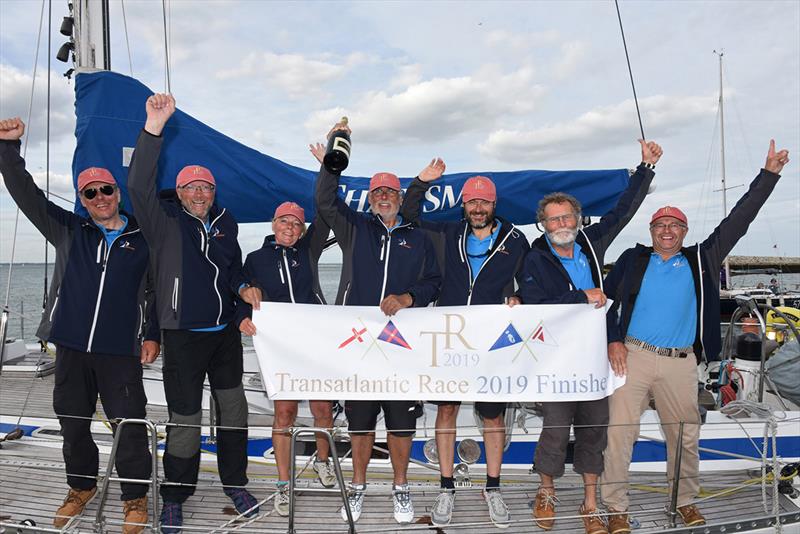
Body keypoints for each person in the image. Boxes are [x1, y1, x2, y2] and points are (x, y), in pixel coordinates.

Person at [600, 140, 790, 534]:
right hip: (632, 357)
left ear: (684, 232)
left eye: (675, 226)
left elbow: (740, 219)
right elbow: (605, 306)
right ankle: (615, 506)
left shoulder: (701, 259)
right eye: (660, 225)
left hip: (680, 361)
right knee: (620, 435)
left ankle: (685, 500)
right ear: (651, 231)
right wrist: (613, 340)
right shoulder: (632, 260)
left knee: (685, 436)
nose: (667, 231)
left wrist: (768, 175)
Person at [0, 118, 159, 533]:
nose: (100, 197)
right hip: (71, 346)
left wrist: (153, 333)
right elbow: (26, 196)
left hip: (119, 351)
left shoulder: (142, 239)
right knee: (73, 424)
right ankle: (80, 487)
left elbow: (155, 292)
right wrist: (9, 149)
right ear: (82, 200)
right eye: (91, 192)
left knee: (129, 426)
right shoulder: (69, 230)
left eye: (106, 189)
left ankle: (135, 497)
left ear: (117, 193)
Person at [127, 94, 263, 533]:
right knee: (184, 422)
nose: (200, 193)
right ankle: (176, 495)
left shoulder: (227, 224)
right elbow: (138, 185)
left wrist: (243, 296)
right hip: (182, 336)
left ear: (213, 192)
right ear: (180, 193)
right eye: (192, 188)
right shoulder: (162, 220)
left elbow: (232, 271)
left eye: (206, 187)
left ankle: (235, 483)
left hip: (225, 336)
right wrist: (153, 128)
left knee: (234, 412)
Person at [518, 139, 662, 534]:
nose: (562, 225)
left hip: (596, 356)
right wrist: (578, 296)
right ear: (543, 224)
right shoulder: (534, 259)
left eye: (568, 218)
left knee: (595, 429)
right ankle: (546, 492)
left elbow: (623, 211)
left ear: (578, 220)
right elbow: (535, 304)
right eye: (554, 220)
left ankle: (590, 502)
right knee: (554, 429)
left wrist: (645, 169)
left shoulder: (592, 246)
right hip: (557, 360)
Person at [311, 122, 442, 525]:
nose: (384, 197)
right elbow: (325, 202)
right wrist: (332, 160)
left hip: (402, 347)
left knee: (401, 424)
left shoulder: (418, 238)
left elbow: (434, 281)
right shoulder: (354, 228)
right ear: (370, 199)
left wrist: (408, 298)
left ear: (400, 199)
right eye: (378, 192)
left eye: (390, 192)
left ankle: (401, 488)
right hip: (359, 346)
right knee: (360, 423)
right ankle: (359, 485)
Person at [400, 173, 530, 528]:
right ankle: (446, 487)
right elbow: (410, 214)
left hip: (490, 340)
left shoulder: (516, 239)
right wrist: (421, 183)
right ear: (463, 205)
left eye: (483, 201)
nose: (477, 207)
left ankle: (493, 488)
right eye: (471, 201)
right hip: (451, 337)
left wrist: (522, 297)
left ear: (493, 204)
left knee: (492, 417)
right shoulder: (447, 234)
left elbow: (531, 278)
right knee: (446, 411)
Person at [236, 201, 337, 516]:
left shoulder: (309, 251)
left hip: (313, 342)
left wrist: (328, 168)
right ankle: (283, 484)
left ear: (303, 229)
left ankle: (323, 462)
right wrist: (242, 316)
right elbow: (241, 292)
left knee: (323, 408)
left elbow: (326, 210)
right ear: (273, 224)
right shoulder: (254, 259)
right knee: (284, 414)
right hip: (279, 346)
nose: (290, 228)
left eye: (296, 224)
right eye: (284, 222)